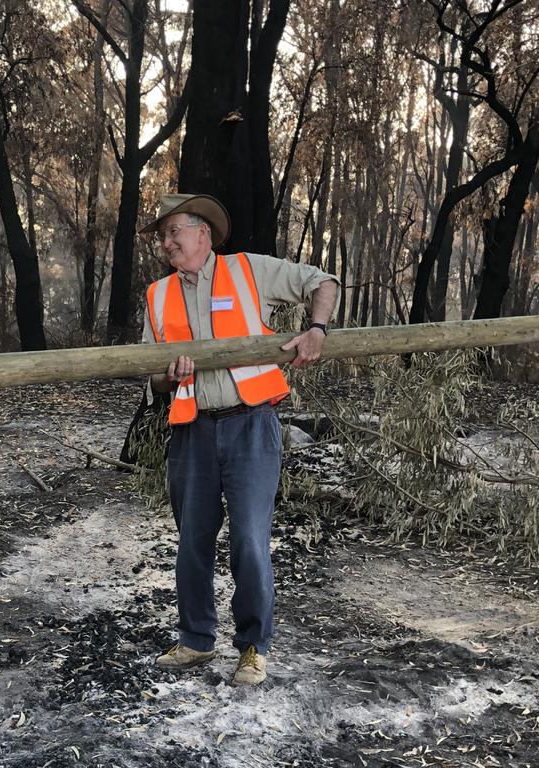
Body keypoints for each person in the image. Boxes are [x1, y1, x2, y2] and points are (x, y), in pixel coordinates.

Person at [139, 193, 338, 686]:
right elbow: (152, 377)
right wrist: (168, 374)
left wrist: (316, 329)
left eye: (174, 232)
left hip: (251, 426)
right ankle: (195, 641)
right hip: (192, 430)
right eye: (162, 237)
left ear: (203, 232)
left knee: (250, 540)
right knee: (192, 543)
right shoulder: (157, 295)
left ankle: (252, 648)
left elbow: (323, 281)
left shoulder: (250, 270)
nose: (167, 243)